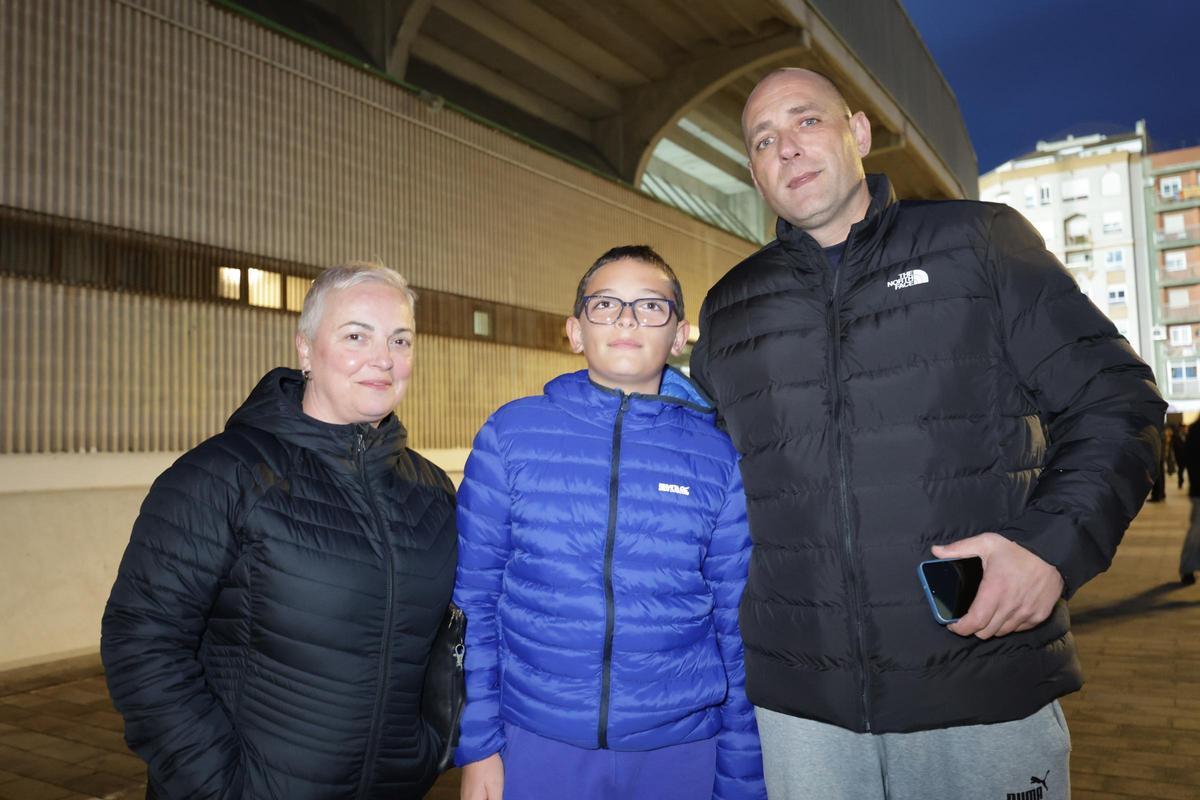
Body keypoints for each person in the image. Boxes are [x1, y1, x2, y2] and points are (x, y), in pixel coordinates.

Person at [689, 68, 1165, 800]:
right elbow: (708, 487)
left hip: (978, 682)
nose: (786, 147)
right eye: (763, 139)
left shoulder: (979, 243)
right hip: (806, 714)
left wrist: (1049, 550)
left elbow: (1116, 400)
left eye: (806, 121)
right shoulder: (729, 310)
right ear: (753, 172)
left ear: (857, 133)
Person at [101, 262, 457, 799]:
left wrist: (429, 746)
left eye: (400, 339)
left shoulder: (430, 491)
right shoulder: (223, 474)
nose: (383, 359)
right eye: (356, 335)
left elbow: (445, 641)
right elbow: (142, 643)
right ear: (307, 349)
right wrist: (218, 785)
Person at [453, 246, 766, 800]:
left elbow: (736, 623)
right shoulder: (512, 435)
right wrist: (479, 745)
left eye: (650, 305)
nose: (626, 318)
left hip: (681, 748)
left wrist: (741, 773)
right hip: (537, 741)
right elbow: (474, 602)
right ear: (575, 331)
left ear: (679, 334)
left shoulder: (716, 457)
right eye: (605, 304)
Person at [1182, 425, 1200, 584]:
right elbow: (1191, 461)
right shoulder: (1196, 431)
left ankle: (1188, 568)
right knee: (1196, 532)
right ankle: (1187, 568)